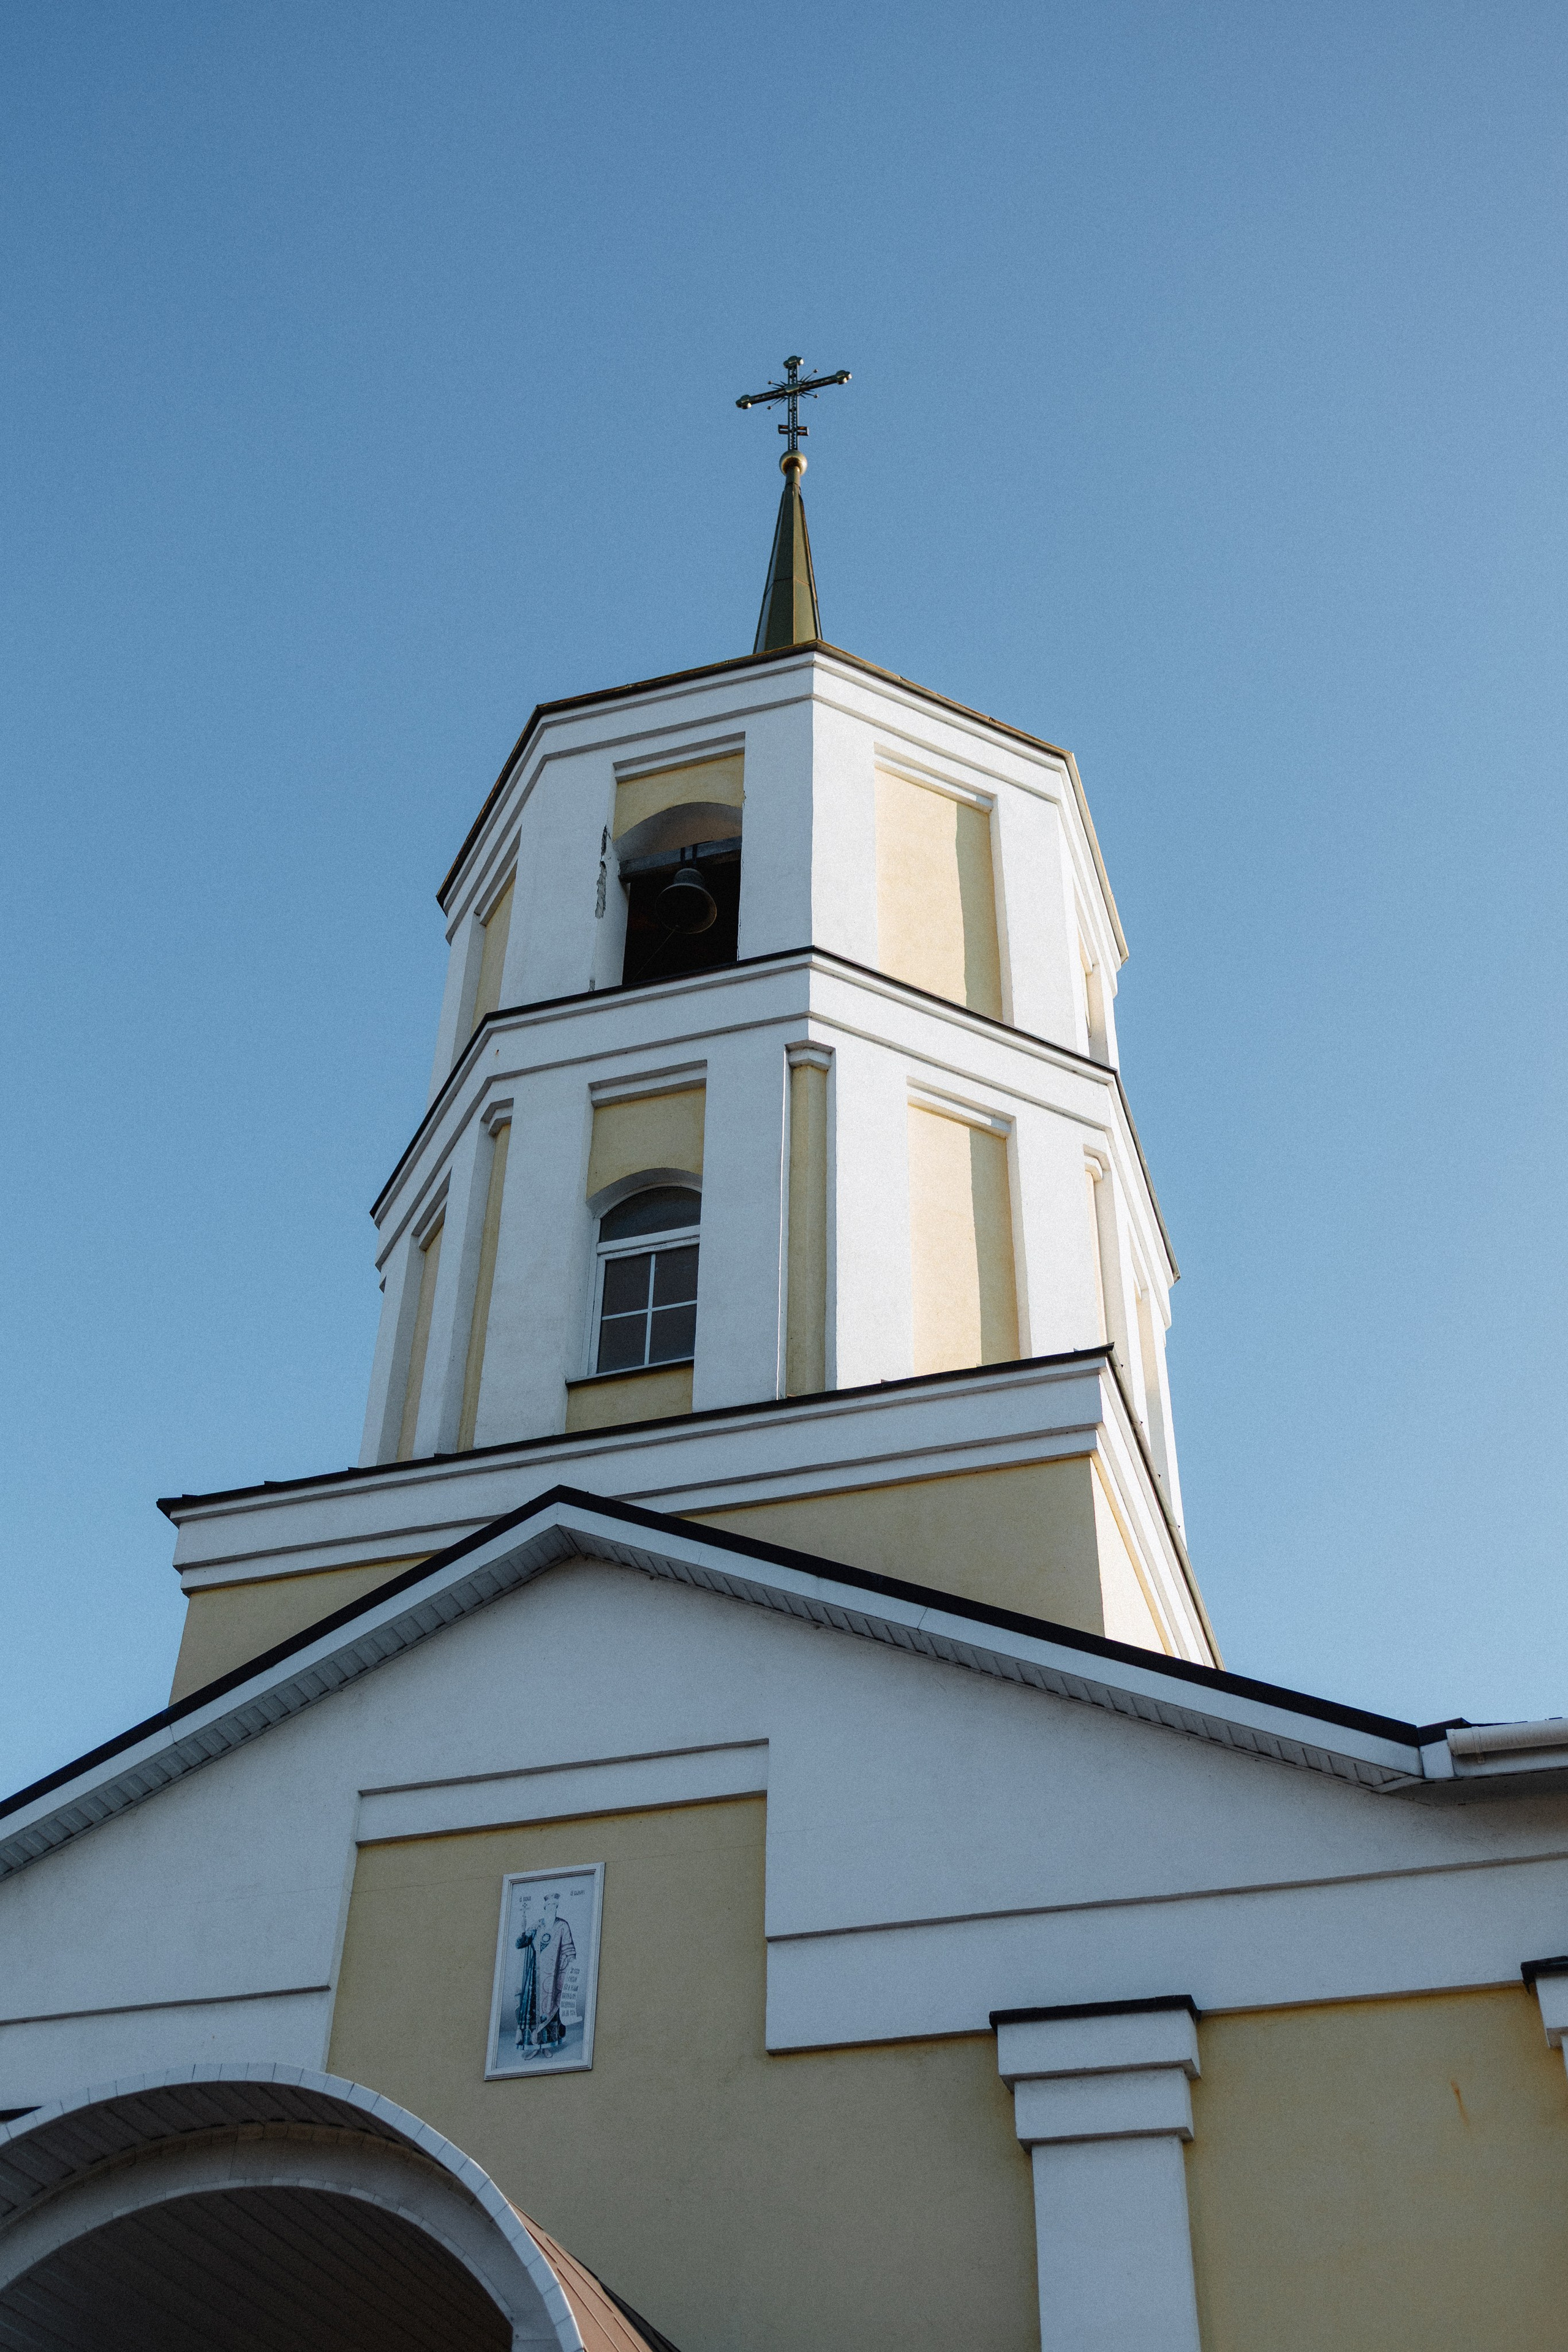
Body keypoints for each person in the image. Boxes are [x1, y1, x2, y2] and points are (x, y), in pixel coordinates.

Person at [514, 1890, 576, 2056]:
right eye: (549, 1905)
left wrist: (569, 1960)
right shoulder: (537, 1925)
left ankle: (547, 2046)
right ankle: (535, 2047)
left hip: (554, 1976)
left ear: (557, 1907)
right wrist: (522, 1931)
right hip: (535, 1976)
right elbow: (521, 1944)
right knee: (532, 2010)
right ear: (545, 1907)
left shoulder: (563, 1925)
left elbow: (569, 1948)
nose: (552, 1908)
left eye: (554, 1905)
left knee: (550, 2010)